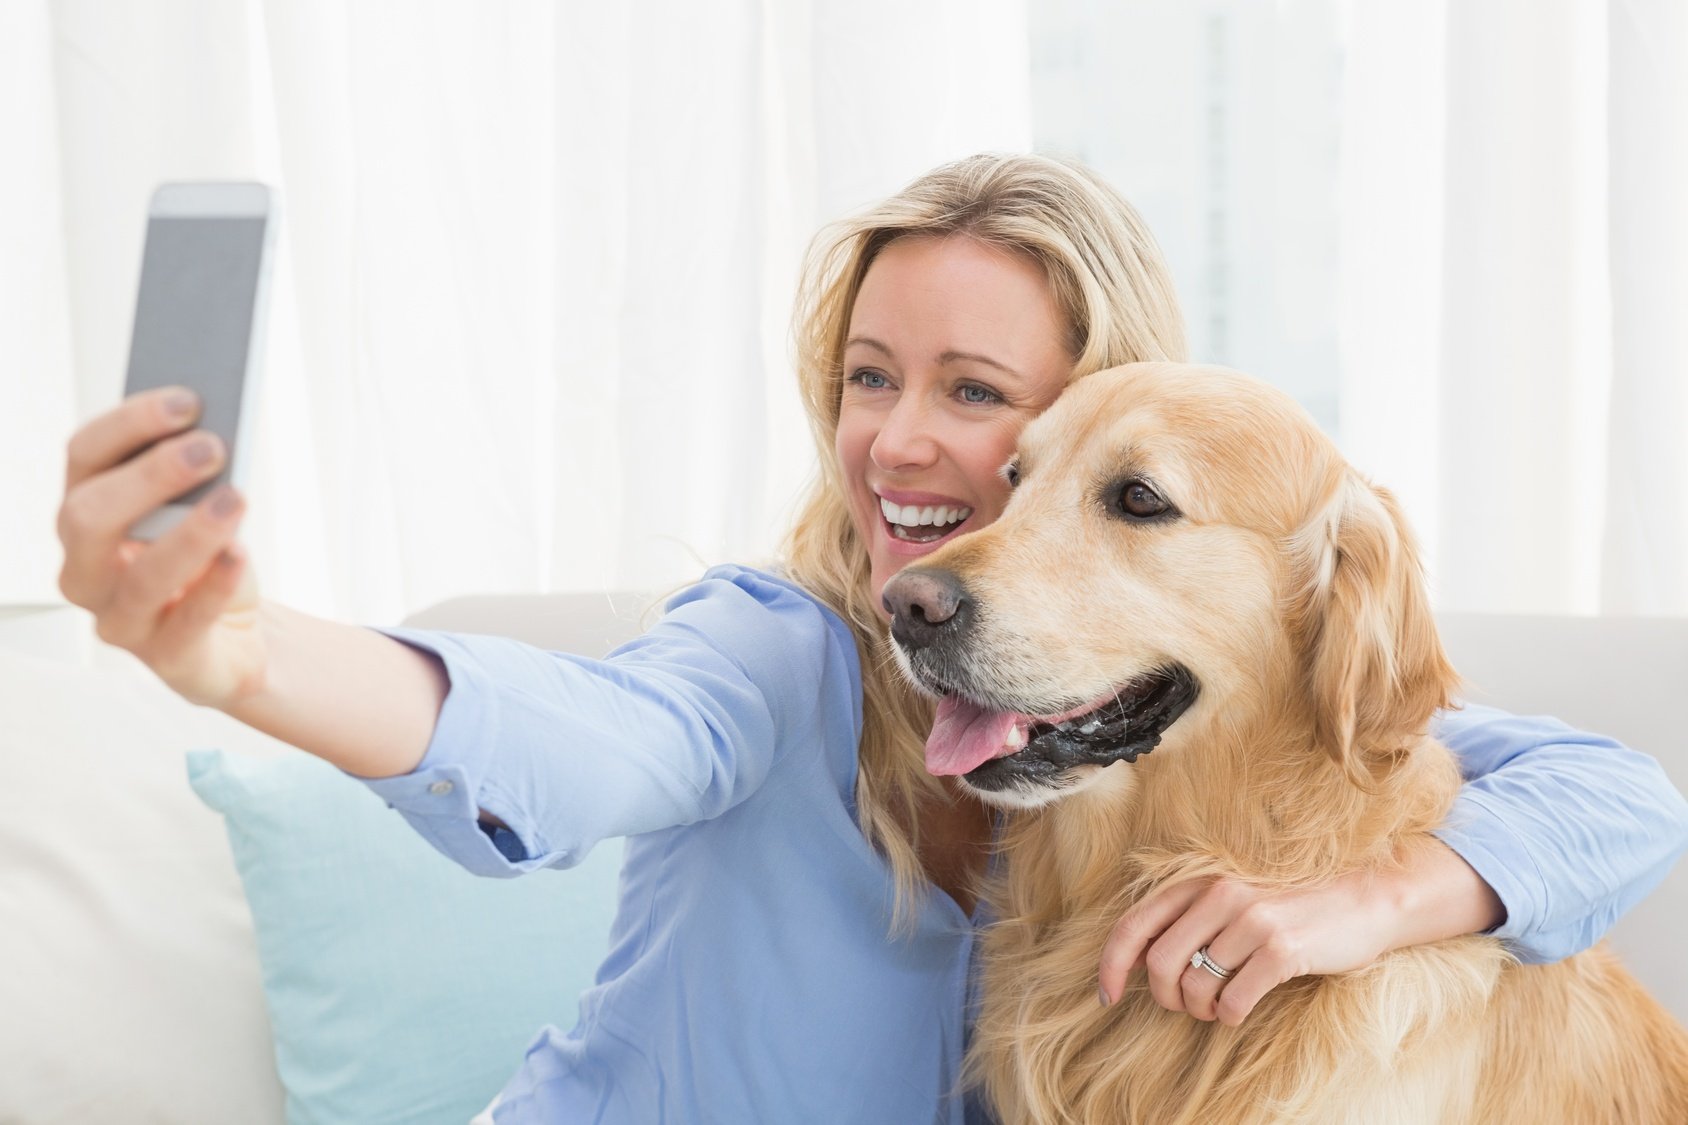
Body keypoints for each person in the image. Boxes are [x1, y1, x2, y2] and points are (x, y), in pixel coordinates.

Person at [57, 153, 1688, 1123]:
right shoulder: (782, 653)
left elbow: (1609, 789)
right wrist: (238, 654)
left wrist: (1378, 893)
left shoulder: (1218, 728)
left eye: (984, 400)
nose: (900, 443)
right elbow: (572, 735)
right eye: (867, 377)